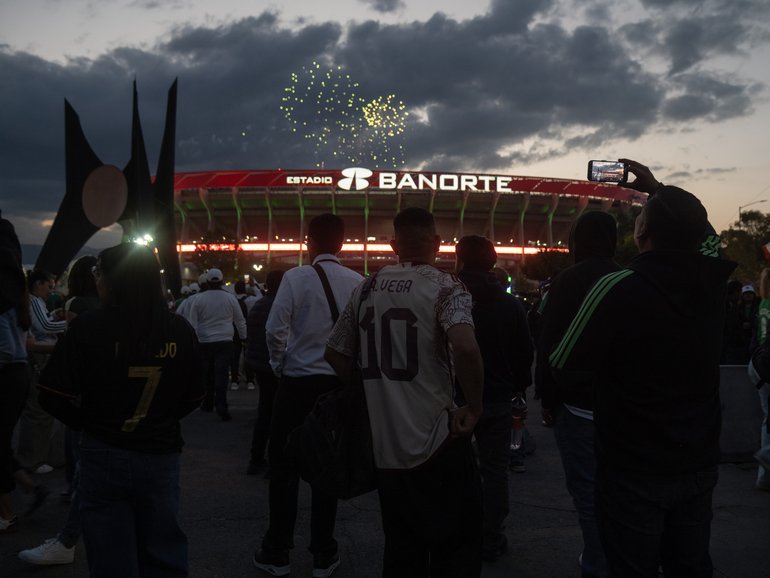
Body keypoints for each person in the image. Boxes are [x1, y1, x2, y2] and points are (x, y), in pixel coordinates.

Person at [549, 159, 736, 577]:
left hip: (634, 462)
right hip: (698, 457)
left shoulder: (617, 286)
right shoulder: (713, 281)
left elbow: (563, 365)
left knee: (631, 566)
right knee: (690, 565)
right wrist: (659, 191)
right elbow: (707, 238)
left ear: (640, 232)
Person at [326, 207, 485, 578]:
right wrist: (474, 407)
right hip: (436, 440)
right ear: (438, 243)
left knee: (401, 549)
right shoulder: (447, 286)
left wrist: (372, 388)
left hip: (386, 446)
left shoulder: (366, 288)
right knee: (455, 545)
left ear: (394, 244)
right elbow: (465, 346)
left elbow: (334, 352)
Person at [37, 243, 204, 577]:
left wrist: (87, 422)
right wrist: (161, 418)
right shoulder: (178, 330)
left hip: (104, 450)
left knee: (110, 557)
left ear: (113, 279)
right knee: (163, 552)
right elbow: (195, 395)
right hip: (160, 453)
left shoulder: (87, 328)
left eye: (99, 273)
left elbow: (50, 393)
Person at [253, 213, 363, 578]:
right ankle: (323, 553)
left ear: (308, 242)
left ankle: (277, 552)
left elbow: (275, 328)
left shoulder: (295, 278)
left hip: (296, 385)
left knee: (284, 470)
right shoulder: (358, 283)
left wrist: (280, 365)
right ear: (342, 244)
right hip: (336, 389)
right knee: (326, 470)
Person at [535, 210, 619, 577]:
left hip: (579, 404)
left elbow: (549, 346)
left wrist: (548, 400)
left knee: (588, 492)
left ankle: (598, 563)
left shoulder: (566, 281)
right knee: (622, 489)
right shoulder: (628, 278)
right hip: (623, 405)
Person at [454, 235, 533, 562]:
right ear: (493, 262)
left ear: (458, 260)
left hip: (454, 399)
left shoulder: (447, 297)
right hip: (497, 398)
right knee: (495, 470)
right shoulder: (510, 304)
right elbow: (524, 352)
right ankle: (491, 536)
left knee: (453, 468)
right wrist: (517, 386)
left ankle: (456, 533)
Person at [19, 255, 100, 565]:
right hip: (107, 399)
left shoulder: (78, 304)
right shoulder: (114, 309)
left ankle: (67, 540)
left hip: (80, 391)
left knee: (84, 462)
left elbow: (60, 340)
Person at [16, 269, 67, 474]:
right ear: (38, 284)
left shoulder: (33, 301)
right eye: (48, 286)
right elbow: (45, 326)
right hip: (38, 357)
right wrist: (72, 323)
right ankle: (32, 460)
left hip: (36, 355)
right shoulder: (34, 301)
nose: (50, 290)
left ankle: (33, 456)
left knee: (38, 409)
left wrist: (55, 316)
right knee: (38, 409)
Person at [0, 215, 33, 533]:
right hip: (18, 375)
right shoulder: (17, 296)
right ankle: (27, 487)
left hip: (7, 373)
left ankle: (7, 511)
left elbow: (6, 351)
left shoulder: (3, 299)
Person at [186, 268, 247, 421]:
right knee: (221, 374)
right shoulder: (230, 298)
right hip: (225, 340)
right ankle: (221, 405)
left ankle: (207, 402)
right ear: (221, 281)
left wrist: (193, 341)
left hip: (204, 341)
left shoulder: (198, 299)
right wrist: (244, 337)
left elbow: (192, 322)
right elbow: (239, 320)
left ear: (206, 282)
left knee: (207, 374)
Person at [245, 269, 284, 475]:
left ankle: (256, 457)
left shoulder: (258, 305)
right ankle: (276, 460)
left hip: (259, 365)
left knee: (264, 412)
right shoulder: (282, 305)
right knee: (278, 415)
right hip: (276, 366)